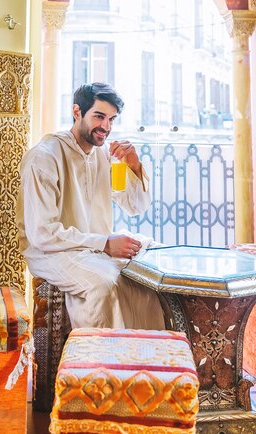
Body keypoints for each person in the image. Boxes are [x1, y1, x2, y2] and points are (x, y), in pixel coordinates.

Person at [16, 82, 165, 330]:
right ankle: (102, 363)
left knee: (151, 269)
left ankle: (147, 359)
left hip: (95, 246)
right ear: (77, 112)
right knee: (105, 285)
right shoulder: (45, 157)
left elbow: (135, 206)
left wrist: (134, 164)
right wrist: (105, 243)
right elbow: (41, 235)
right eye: (99, 116)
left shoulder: (103, 155)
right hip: (52, 252)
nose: (105, 127)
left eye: (111, 119)